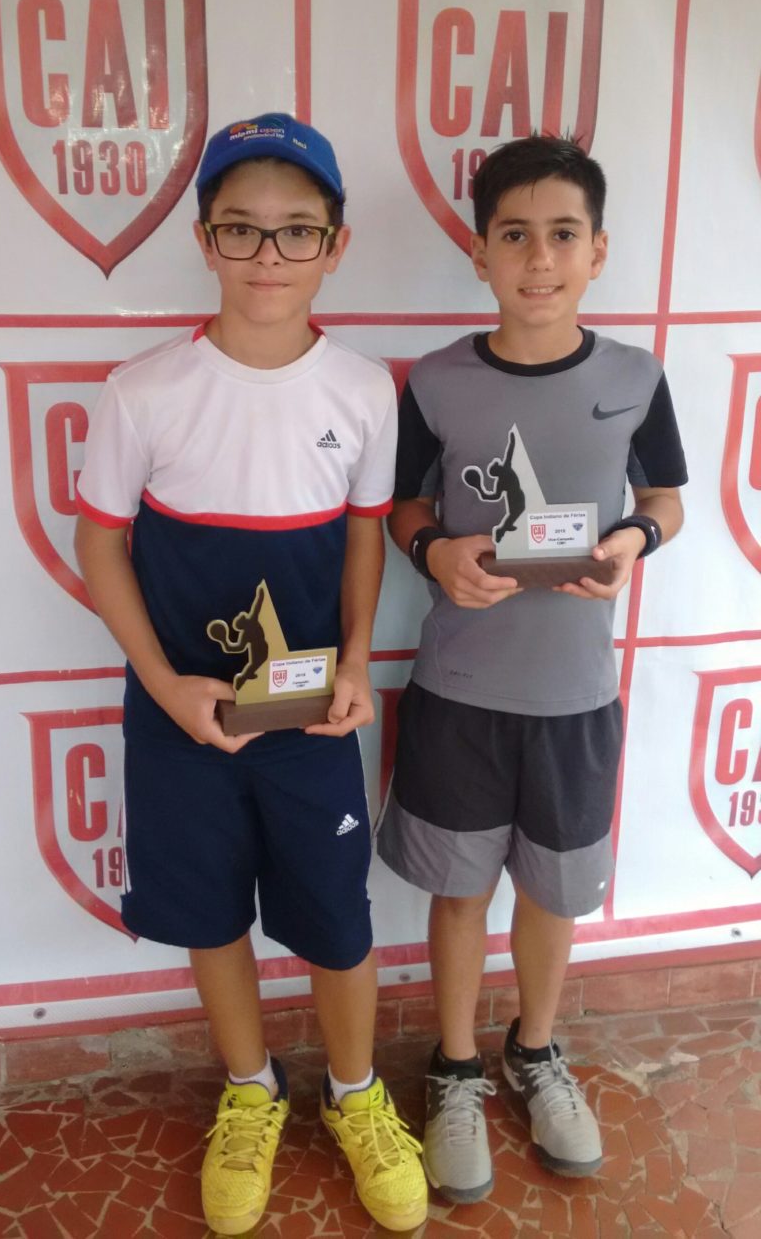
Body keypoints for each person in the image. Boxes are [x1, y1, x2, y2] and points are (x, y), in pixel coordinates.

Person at [74, 113, 427, 1235]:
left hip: (312, 715)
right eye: (241, 229)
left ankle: (356, 1093)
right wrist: (165, 682)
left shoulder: (364, 390)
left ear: (336, 244)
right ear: (204, 239)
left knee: (337, 919)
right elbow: (100, 546)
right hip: (178, 714)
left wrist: (358, 661)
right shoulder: (142, 390)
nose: (267, 256)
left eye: (295, 232)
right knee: (209, 911)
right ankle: (250, 1086)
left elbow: (365, 539)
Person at [378, 134, 687, 1202]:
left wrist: (633, 541)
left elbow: (666, 499)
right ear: (480, 253)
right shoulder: (437, 381)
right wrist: (434, 552)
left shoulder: (636, 377)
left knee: (553, 896)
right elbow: (406, 506)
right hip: (461, 694)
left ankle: (537, 1048)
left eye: (563, 234)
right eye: (514, 235)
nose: (539, 258)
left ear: (598, 251)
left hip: (575, 699)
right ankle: (456, 1066)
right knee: (461, 892)